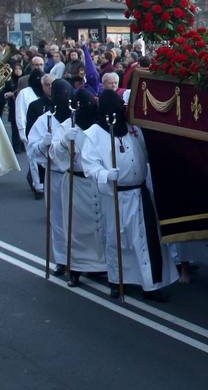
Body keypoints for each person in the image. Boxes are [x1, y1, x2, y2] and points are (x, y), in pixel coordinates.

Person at [82, 89, 178, 300]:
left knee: (145, 239)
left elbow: (146, 151)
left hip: (139, 193)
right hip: (115, 195)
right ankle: (118, 281)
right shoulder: (94, 134)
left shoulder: (133, 128)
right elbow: (89, 165)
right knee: (118, 239)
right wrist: (106, 174)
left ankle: (151, 284)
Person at [49, 89, 106, 286]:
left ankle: (100, 266)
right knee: (76, 228)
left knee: (99, 226)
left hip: (95, 182)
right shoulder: (67, 127)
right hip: (74, 182)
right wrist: (65, 142)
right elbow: (53, 153)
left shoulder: (99, 126)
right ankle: (75, 268)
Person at [27, 79, 75, 275]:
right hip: (55, 175)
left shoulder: (75, 117)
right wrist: (42, 144)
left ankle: (81, 261)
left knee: (77, 219)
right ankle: (62, 259)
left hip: (76, 177)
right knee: (57, 219)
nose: (65, 98)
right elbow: (32, 149)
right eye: (60, 94)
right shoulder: (44, 120)